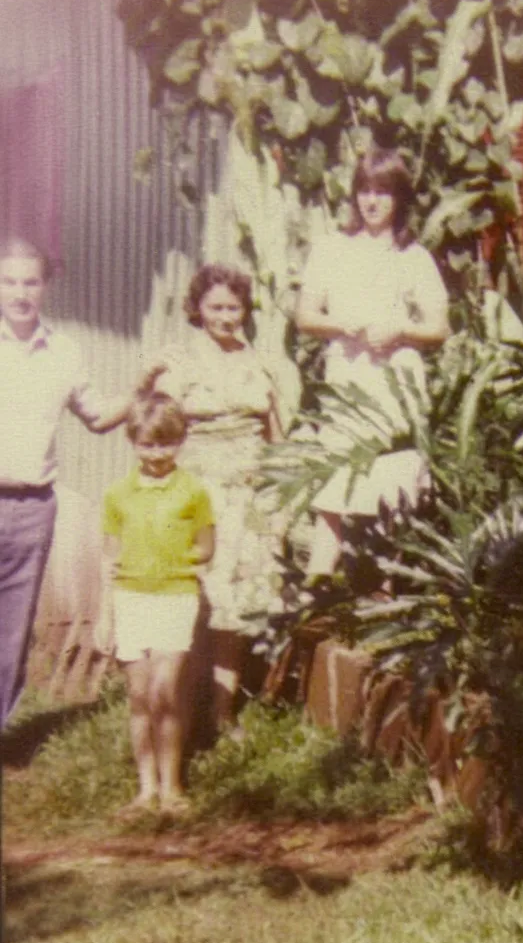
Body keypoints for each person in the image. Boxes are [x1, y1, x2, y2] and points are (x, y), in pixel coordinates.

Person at [0, 236, 148, 728]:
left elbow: (100, 415)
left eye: (30, 282)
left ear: (46, 286)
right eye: (9, 281)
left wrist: (143, 384)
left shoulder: (63, 352)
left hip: (32, 508)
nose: (20, 293)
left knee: (12, 635)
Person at [295, 146, 451, 574]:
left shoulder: (413, 257)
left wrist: (402, 331)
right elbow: (305, 316)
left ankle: (383, 603)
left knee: (392, 497)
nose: (372, 201)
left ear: (399, 198)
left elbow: (439, 327)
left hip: (395, 385)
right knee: (333, 498)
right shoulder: (332, 249)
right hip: (348, 381)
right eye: (364, 190)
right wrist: (339, 324)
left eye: (383, 191)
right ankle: (316, 600)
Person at [148, 264, 284, 732]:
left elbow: (277, 433)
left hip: (250, 493)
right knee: (193, 599)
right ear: (198, 310)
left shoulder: (261, 361)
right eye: (216, 307)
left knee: (236, 606)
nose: (227, 316)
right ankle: (180, 707)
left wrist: (280, 498)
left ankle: (223, 712)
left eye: (234, 307)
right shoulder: (179, 362)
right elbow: (158, 430)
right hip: (198, 492)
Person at [98, 393, 215, 815]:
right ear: (133, 442)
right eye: (148, 444)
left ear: (180, 441)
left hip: (174, 598)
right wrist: (105, 615)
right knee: (140, 695)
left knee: (166, 690)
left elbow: (206, 547)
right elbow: (109, 559)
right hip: (130, 600)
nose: (157, 453)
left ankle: (174, 787)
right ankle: (146, 789)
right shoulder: (117, 494)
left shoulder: (194, 491)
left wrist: (174, 557)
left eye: (166, 443)